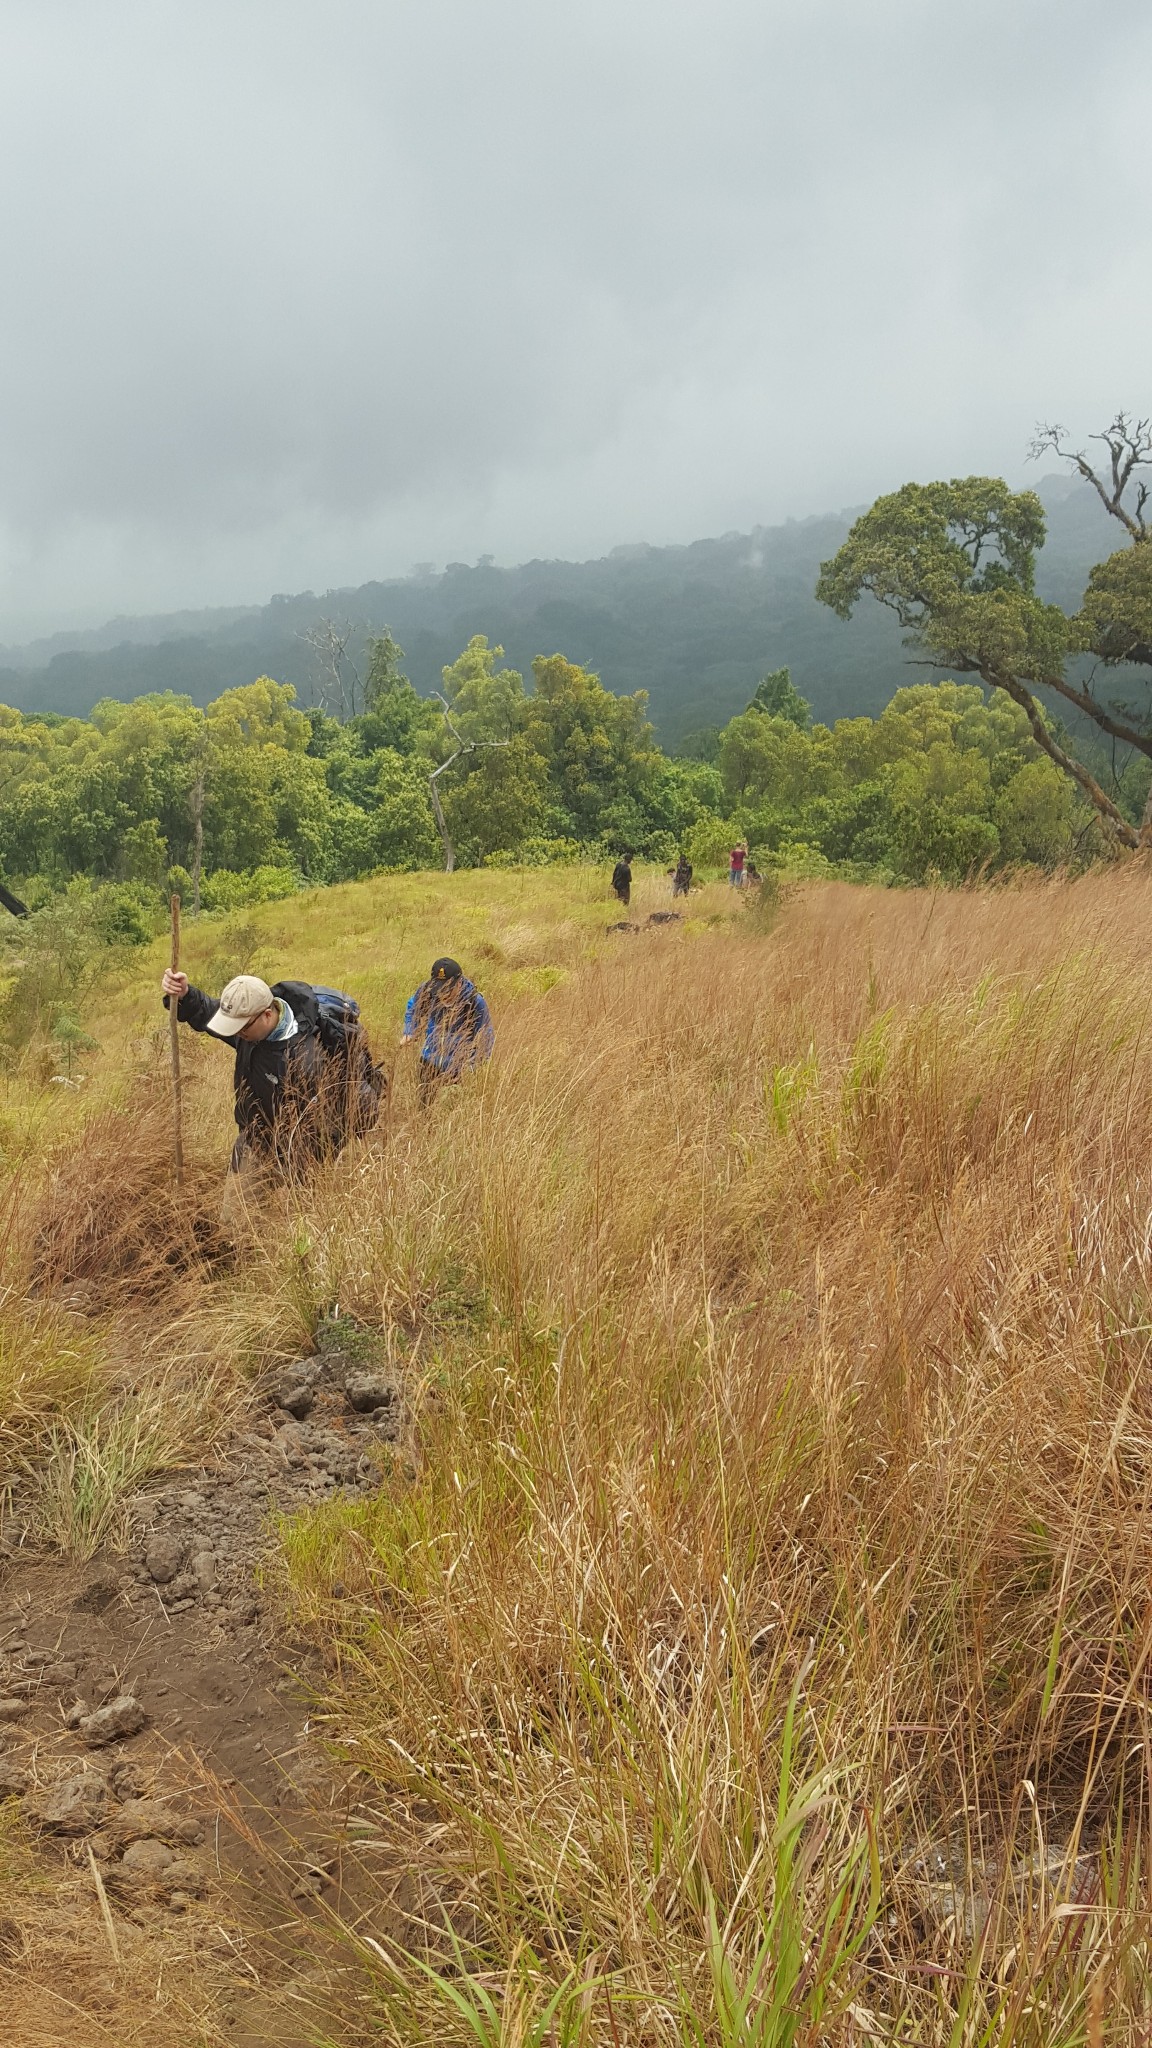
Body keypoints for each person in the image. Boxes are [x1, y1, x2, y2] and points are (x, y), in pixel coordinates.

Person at [161, 970, 382, 1221]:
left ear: (268, 1015)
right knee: (235, 1223)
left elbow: (350, 1116)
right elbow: (210, 1012)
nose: (237, 1033)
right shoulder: (251, 1026)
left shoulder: (308, 1057)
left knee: (294, 1230)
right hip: (254, 1143)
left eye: (241, 1027)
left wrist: (306, 1160)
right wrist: (185, 995)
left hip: (301, 1160)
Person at [401, 957, 494, 1107]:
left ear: (458, 983)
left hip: (459, 1066)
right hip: (430, 1058)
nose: (443, 994)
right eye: (440, 989)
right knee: (425, 1107)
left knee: (451, 1108)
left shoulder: (474, 1001)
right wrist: (409, 1031)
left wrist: (474, 1065)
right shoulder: (427, 991)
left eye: (448, 989)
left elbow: (486, 1034)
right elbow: (413, 1007)